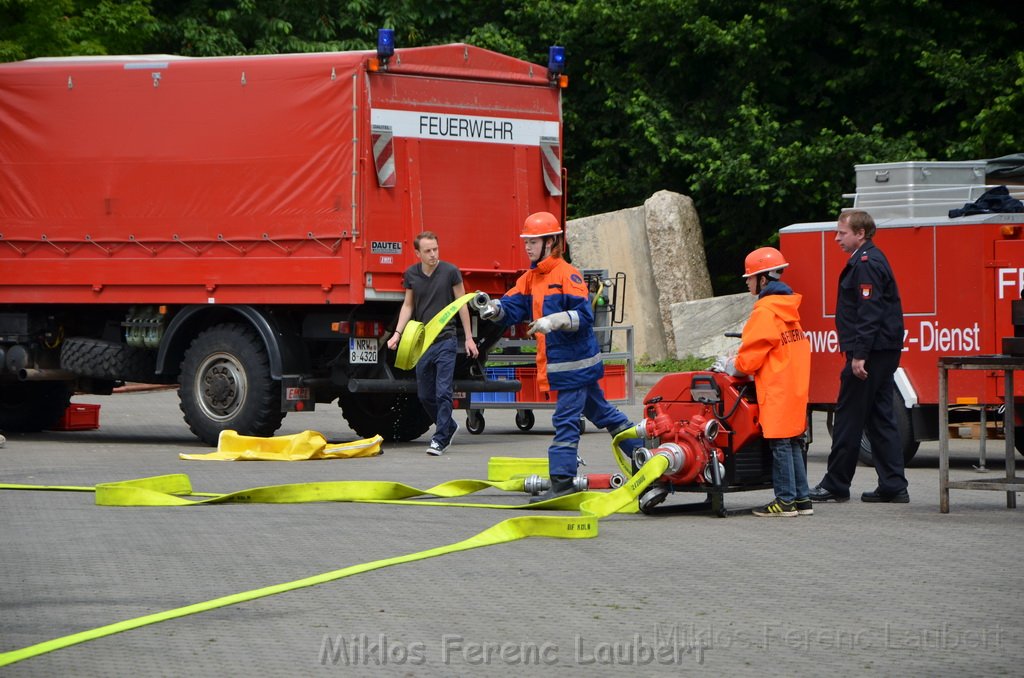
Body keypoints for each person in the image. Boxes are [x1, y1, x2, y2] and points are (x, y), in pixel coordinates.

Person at [477, 212, 638, 503]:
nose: (527, 247)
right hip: (565, 366)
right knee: (603, 414)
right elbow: (514, 306)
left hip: (575, 365)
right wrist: (495, 310)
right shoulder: (531, 279)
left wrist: (553, 321)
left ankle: (562, 481)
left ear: (551, 242)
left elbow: (584, 316)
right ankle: (644, 454)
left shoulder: (568, 274)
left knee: (565, 420)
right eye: (526, 241)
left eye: (533, 241)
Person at [809, 210, 910, 503]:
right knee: (880, 418)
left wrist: (859, 355)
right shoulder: (871, 259)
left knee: (848, 418)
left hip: (870, 353)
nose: (837, 237)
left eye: (842, 232)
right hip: (883, 351)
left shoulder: (865, 263)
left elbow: (869, 313)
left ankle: (836, 484)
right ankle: (893, 484)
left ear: (860, 234)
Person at [728, 247, 813, 517]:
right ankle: (802, 500)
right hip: (794, 387)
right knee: (793, 442)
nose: (747, 282)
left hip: (776, 389)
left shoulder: (765, 311)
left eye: (750, 278)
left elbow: (750, 360)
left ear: (763, 279)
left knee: (780, 444)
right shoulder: (789, 310)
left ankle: (784, 501)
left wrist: (734, 364)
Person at [387, 231, 478, 455]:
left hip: (446, 340)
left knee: (443, 392)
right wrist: (397, 334)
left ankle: (440, 439)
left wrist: (468, 338)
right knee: (425, 395)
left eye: (435, 249)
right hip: (423, 343)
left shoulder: (450, 272)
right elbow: (408, 306)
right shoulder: (412, 275)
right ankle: (448, 425)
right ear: (417, 253)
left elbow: (462, 304)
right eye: (428, 251)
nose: (433, 254)